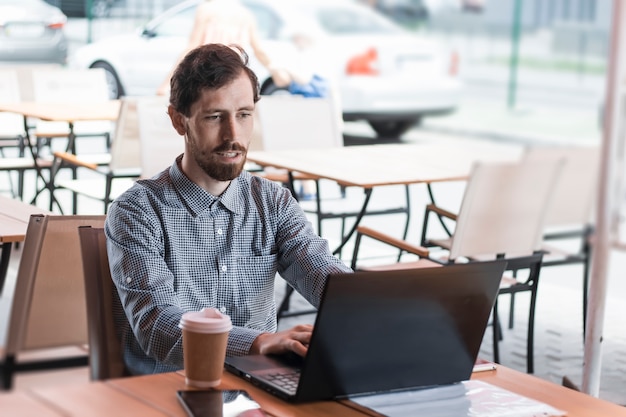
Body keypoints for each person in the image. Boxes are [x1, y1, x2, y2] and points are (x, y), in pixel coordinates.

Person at [105, 43, 352, 375]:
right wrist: (258, 342)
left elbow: (323, 274)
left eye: (244, 115)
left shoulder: (274, 203)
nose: (233, 135)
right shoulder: (137, 213)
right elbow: (158, 327)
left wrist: (371, 306)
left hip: (261, 383)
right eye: (214, 117)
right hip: (169, 390)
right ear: (179, 121)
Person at [156, 0, 290, 96]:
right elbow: (259, 50)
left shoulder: (207, 9)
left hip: (207, 74)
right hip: (232, 74)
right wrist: (276, 70)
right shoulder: (245, 14)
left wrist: (168, 84)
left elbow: (192, 48)